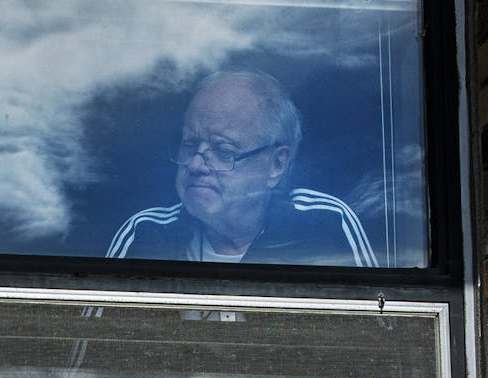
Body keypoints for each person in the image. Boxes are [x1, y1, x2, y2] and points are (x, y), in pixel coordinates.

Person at [106, 69, 378, 267]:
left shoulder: (326, 224)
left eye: (223, 152)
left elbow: (380, 336)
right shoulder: (145, 233)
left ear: (276, 165)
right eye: (190, 145)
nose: (196, 164)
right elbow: (87, 342)